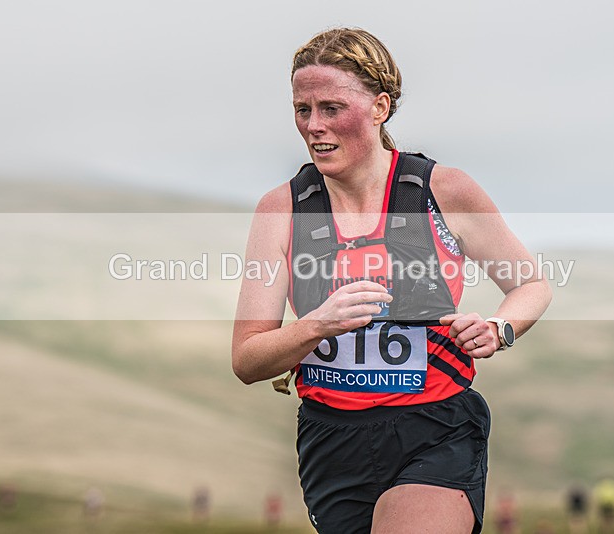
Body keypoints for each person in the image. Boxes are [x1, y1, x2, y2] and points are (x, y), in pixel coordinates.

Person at [232, 27, 552, 534]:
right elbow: (248, 360)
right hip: (332, 442)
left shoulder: (442, 190)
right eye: (302, 109)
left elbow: (531, 285)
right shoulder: (282, 209)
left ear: (380, 107)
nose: (314, 125)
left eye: (332, 108)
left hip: (438, 428)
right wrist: (316, 325)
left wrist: (498, 329)